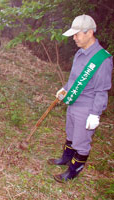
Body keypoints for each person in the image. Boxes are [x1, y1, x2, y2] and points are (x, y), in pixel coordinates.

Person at [48, 14, 113, 183]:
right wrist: (65, 89)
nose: (74, 38)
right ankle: (65, 159)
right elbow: (74, 78)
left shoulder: (102, 60)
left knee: (81, 141)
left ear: (89, 33)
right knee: (70, 134)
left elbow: (102, 90)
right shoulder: (80, 52)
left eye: (77, 34)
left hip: (87, 107)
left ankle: (73, 171)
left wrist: (95, 114)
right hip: (73, 102)